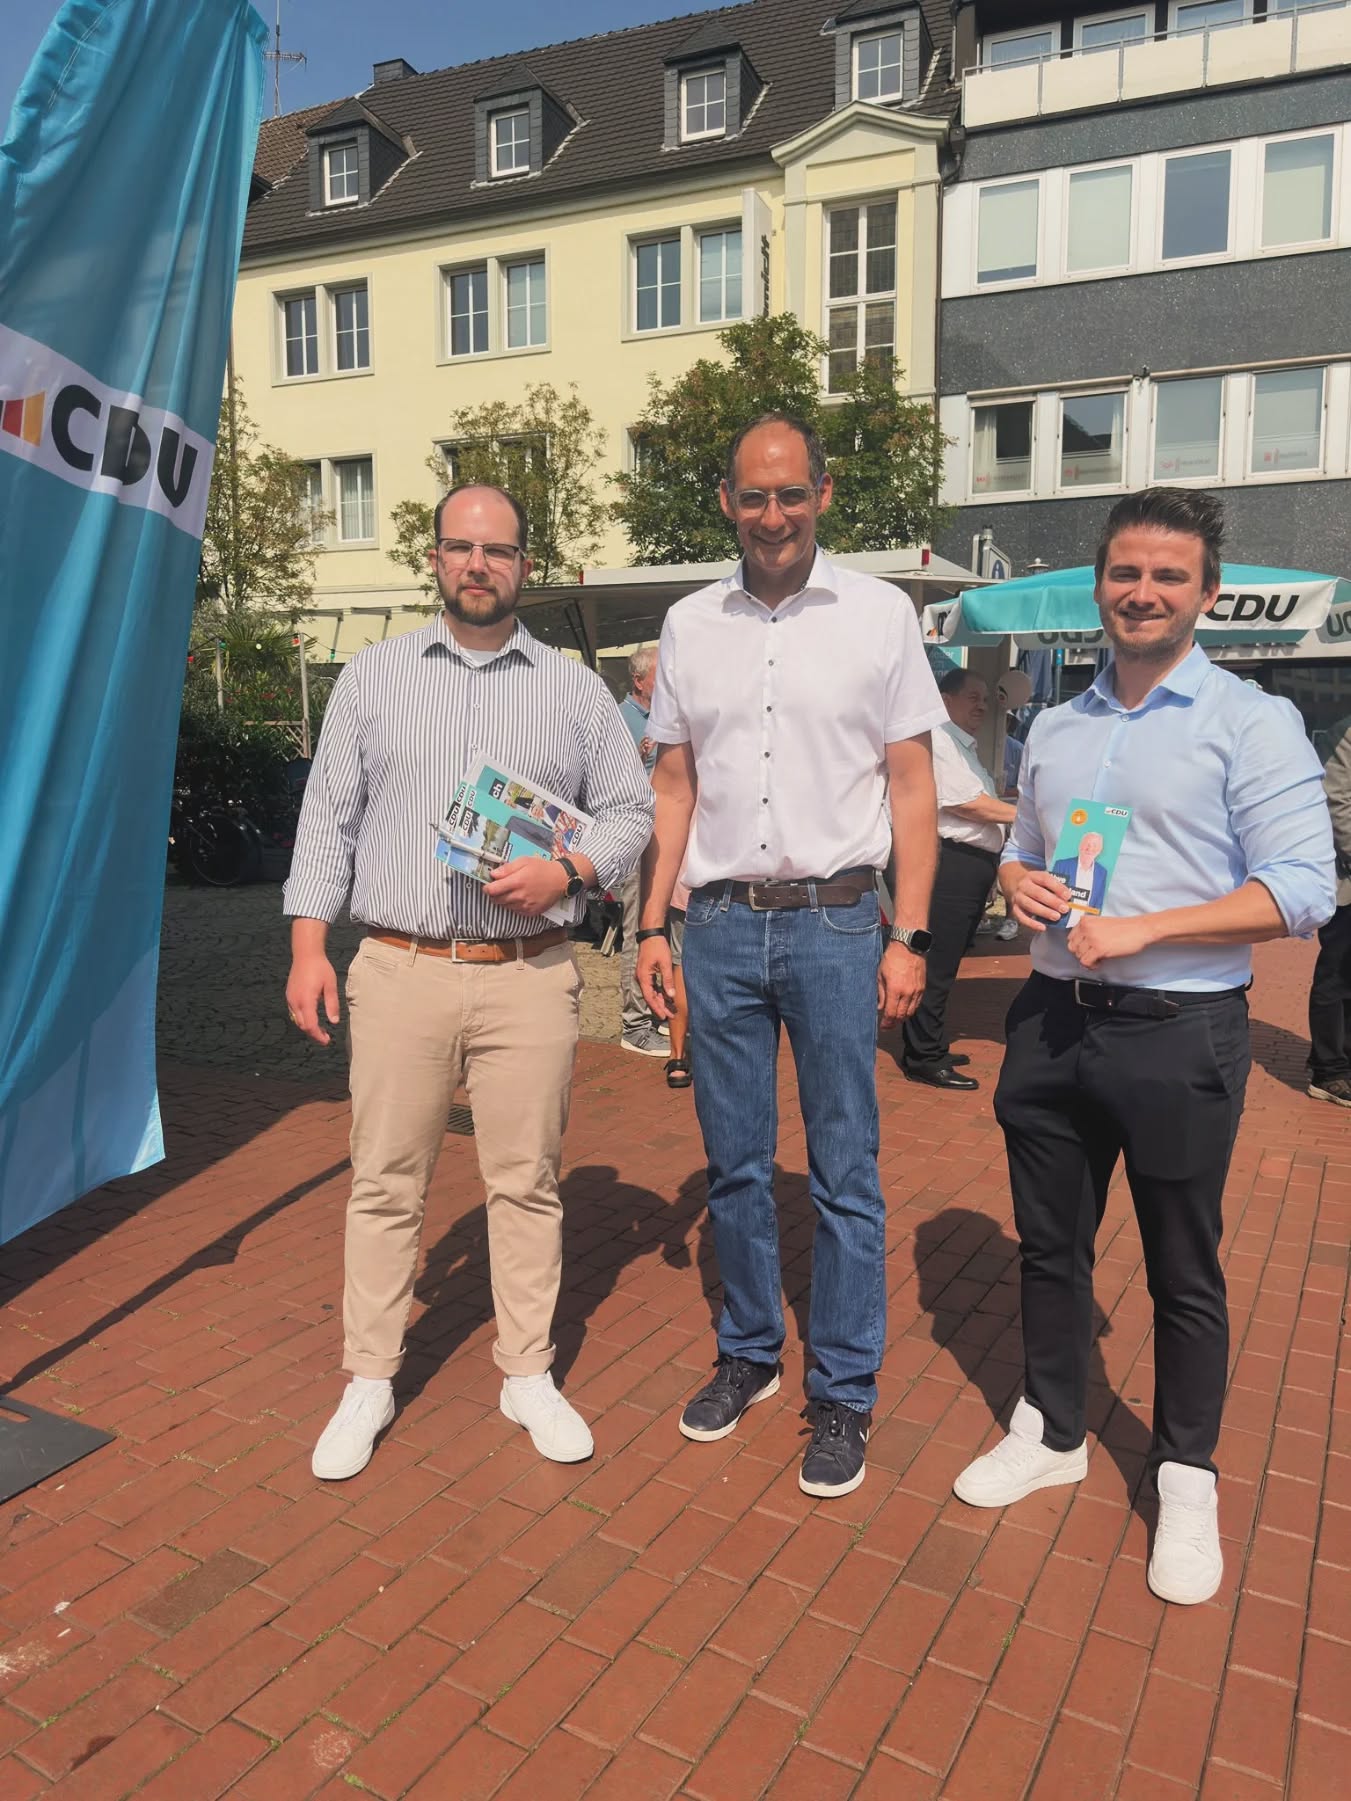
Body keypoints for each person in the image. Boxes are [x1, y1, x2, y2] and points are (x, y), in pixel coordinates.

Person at [952, 487, 1335, 1606]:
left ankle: (1184, 1472)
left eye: (1169, 575)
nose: (1143, 591)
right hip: (1052, 1019)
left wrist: (1146, 928)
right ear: (1099, 586)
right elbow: (1030, 846)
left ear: (1205, 594)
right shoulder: (1057, 725)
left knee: (1182, 1268)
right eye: (1125, 572)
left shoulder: (1249, 722)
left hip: (1178, 1030)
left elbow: (1301, 890)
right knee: (1047, 1247)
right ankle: (1052, 1427)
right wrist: (1019, 879)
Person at [284, 482, 653, 1482]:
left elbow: (631, 811)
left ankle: (526, 1370)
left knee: (525, 1183)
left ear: (525, 564)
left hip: (526, 973)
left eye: (497, 549)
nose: (478, 564)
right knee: (384, 1182)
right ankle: (368, 1376)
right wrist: (309, 946)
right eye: (460, 547)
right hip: (400, 966)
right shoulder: (372, 677)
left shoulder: (572, 690)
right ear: (435, 557)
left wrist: (568, 871)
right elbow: (328, 819)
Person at [637, 412, 945, 1499]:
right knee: (734, 1162)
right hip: (719, 924)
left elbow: (913, 785)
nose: (773, 514)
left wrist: (910, 934)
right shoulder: (688, 624)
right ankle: (751, 1351)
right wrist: (651, 923)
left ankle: (845, 1388)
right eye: (753, 495)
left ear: (822, 492)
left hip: (836, 923)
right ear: (727, 501)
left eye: (791, 493)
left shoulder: (878, 613)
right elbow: (673, 787)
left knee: (844, 1170)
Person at [902, 668, 1017, 1091]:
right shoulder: (938, 739)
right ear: (944, 699)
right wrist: (1033, 816)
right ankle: (923, 1056)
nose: (982, 706)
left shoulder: (961, 745)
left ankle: (931, 1044)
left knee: (947, 963)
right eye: (972, 697)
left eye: (985, 699)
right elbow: (968, 804)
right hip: (950, 864)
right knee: (934, 964)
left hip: (970, 866)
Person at [617, 645, 666, 1057]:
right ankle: (634, 1024)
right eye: (659, 673)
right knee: (637, 927)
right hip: (637, 840)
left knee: (659, 929)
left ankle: (656, 1009)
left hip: (665, 840)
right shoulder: (621, 720)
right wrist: (636, 758)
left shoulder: (664, 717)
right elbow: (609, 781)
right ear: (639, 680)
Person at [1308, 711, 1351, 1106]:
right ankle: (1328, 1071)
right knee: (1335, 977)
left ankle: (1342, 1061)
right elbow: (1337, 801)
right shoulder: (1345, 734)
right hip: (1346, 884)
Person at [1051, 829, 1108, 915]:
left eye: (1095, 845)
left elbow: (1098, 903)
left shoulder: (1102, 872)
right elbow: (1052, 894)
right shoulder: (1061, 865)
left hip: (1086, 920)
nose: (1090, 848)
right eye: (1087, 844)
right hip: (1059, 918)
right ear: (1080, 846)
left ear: (1100, 850)